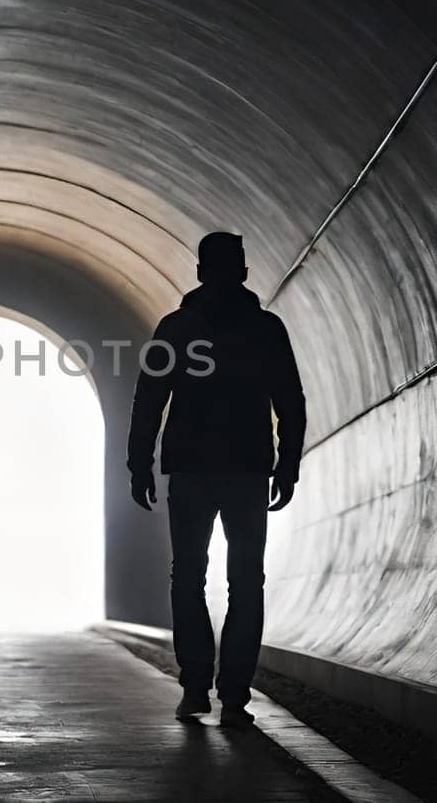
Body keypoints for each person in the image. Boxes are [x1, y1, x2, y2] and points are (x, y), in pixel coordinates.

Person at [126, 231, 305, 728]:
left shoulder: (176, 328)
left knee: (187, 576)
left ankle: (195, 684)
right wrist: (287, 464)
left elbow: (149, 399)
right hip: (248, 469)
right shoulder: (267, 330)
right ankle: (234, 693)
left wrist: (139, 463)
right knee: (246, 580)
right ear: (245, 271)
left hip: (189, 471)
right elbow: (289, 401)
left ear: (200, 271)